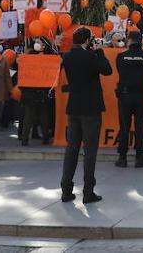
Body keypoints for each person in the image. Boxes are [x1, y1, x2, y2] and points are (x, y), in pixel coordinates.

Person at [60, 26, 112, 203]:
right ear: (87, 40)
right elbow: (107, 70)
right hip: (90, 109)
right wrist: (99, 52)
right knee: (90, 151)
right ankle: (88, 191)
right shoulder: (91, 56)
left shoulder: (66, 57)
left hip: (73, 107)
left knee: (71, 148)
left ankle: (66, 189)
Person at [114, 30, 143, 168]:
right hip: (141, 96)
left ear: (129, 40)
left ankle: (122, 158)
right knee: (139, 127)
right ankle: (139, 157)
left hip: (125, 95)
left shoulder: (121, 56)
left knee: (124, 127)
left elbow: (119, 70)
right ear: (141, 40)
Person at [19, 38, 56, 146]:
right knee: (29, 117)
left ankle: (45, 138)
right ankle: (25, 138)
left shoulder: (50, 57)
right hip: (30, 92)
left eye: (39, 42)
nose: (36, 44)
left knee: (44, 116)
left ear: (44, 45)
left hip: (43, 92)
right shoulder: (29, 55)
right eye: (35, 42)